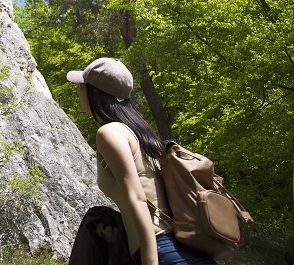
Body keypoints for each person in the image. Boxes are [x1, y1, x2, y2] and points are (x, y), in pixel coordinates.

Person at [67, 57, 217, 265]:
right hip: (186, 249)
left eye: (81, 87)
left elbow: (137, 199)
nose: (78, 92)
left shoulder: (109, 133)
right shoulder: (143, 136)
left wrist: (149, 261)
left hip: (162, 251)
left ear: (94, 93)